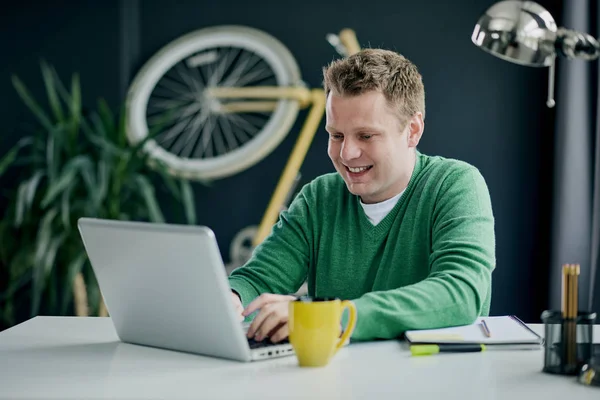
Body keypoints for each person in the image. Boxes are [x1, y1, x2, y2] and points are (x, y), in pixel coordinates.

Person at [228, 48, 496, 343]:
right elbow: (256, 279)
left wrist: (331, 317)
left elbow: (461, 293)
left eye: (366, 136)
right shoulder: (319, 197)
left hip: (428, 379)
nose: (346, 154)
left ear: (413, 130)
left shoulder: (454, 184)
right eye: (336, 135)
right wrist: (231, 298)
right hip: (334, 380)